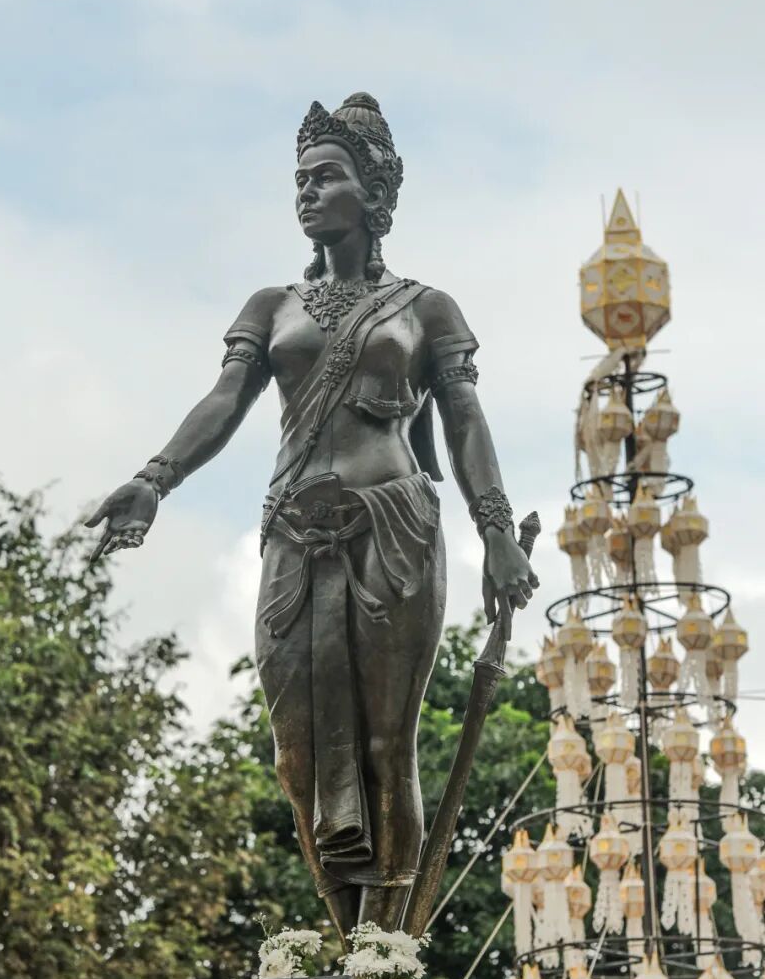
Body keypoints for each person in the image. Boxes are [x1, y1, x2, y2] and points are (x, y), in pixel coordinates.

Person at [87, 93, 537, 934]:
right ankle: (345, 945)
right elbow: (225, 400)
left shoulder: (426, 308)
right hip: (293, 534)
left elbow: (466, 422)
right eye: (299, 179)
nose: (307, 191)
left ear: (374, 191)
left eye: (326, 176)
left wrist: (497, 531)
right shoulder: (272, 306)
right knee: (296, 755)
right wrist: (155, 478)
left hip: (391, 528)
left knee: (384, 746)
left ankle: (382, 951)